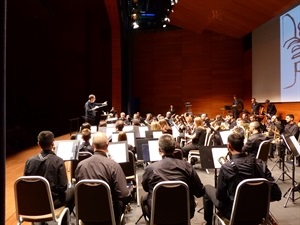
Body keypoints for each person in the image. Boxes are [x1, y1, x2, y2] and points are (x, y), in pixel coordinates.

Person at [203, 133, 281, 225]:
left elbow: (220, 197)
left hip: (235, 213)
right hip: (259, 212)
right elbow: (277, 194)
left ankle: (208, 223)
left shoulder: (227, 167)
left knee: (207, 188)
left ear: (229, 146)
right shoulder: (259, 163)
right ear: (242, 145)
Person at [141, 134, 205, 221]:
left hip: (158, 213)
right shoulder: (187, 167)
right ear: (175, 148)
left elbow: (145, 188)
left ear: (159, 150)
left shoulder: (150, 169)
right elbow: (200, 192)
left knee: (144, 198)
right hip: (184, 212)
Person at [75, 132, 131, 225]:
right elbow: (125, 196)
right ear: (107, 145)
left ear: (93, 145)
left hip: (86, 216)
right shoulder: (113, 165)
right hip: (109, 217)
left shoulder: (80, 165)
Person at [24, 131, 75, 215]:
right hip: (52, 203)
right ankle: (64, 219)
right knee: (73, 189)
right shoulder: (58, 160)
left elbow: (26, 184)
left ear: (38, 144)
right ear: (53, 144)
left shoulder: (29, 161)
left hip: (34, 203)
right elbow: (63, 187)